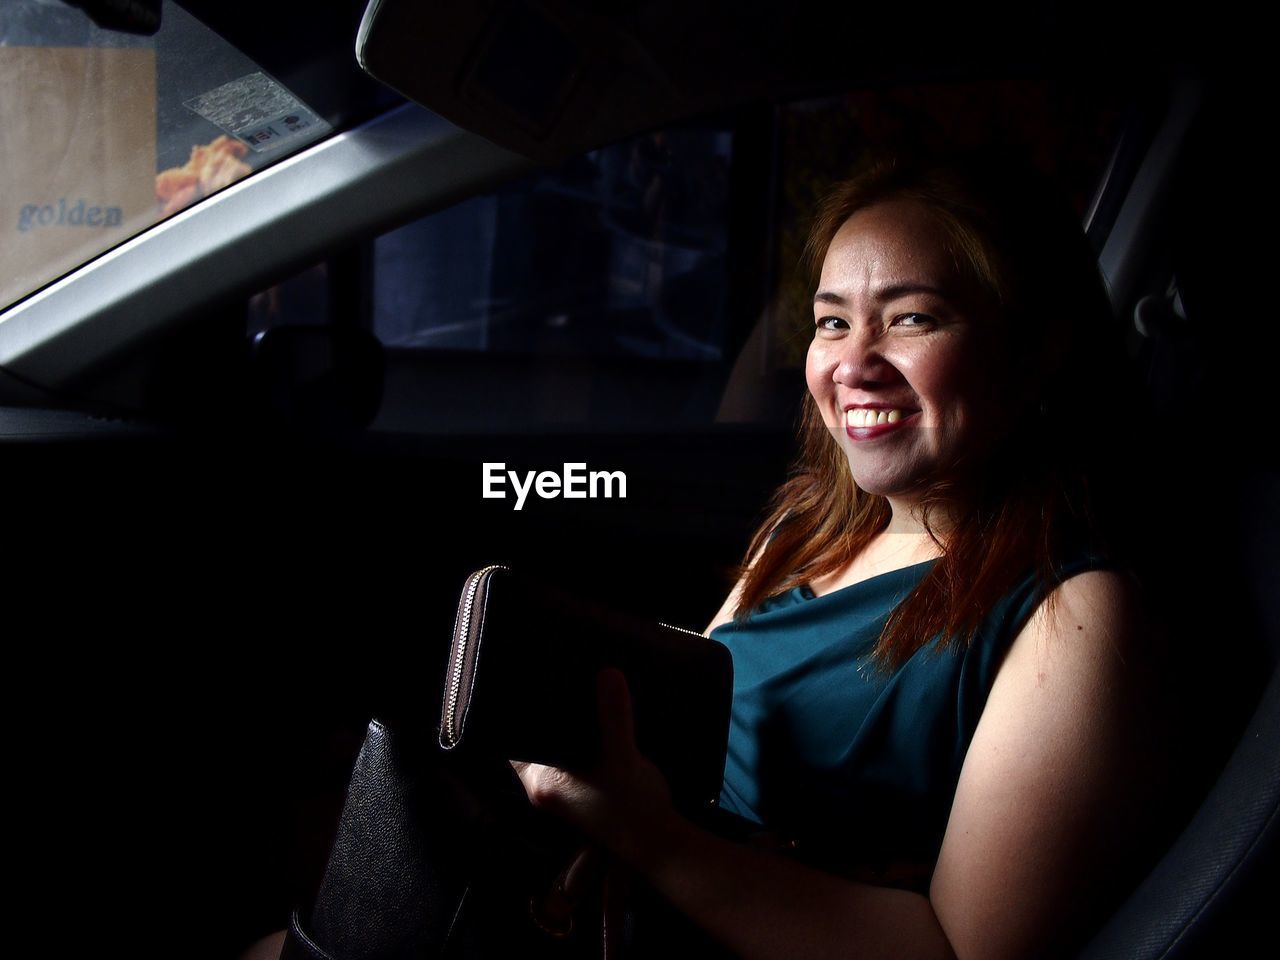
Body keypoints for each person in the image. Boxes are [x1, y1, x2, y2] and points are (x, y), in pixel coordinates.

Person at [511, 152, 1168, 960]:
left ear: (1035, 352)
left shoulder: (1076, 616)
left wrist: (652, 841)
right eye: (832, 321)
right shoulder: (806, 527)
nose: (852, 364)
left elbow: (960, 953)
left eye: (912, 318)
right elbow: (688, 739)